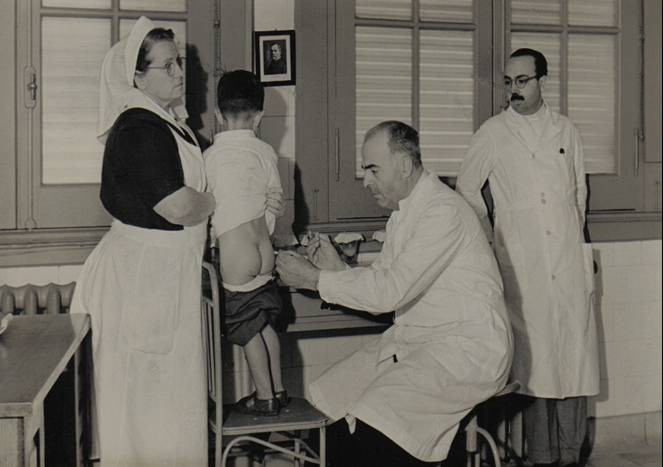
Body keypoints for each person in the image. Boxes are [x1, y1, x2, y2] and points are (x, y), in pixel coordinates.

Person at [276, 121, 513, 467]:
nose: (366, 181)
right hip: (421, 342)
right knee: (327, 405)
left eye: (373, 170)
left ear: (403, 166)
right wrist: (336, 270)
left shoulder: (443, 212)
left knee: (376, 422)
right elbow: (386, 289)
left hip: (467, 350)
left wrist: (315, 279)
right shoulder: (403, 215)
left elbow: (389, 293)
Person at [69, 17, 213, 465]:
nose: (179, 73)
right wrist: (215, 201)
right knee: (141, 416)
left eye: (179, 62)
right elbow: (178, 207)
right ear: (138, 77)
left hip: (162, 278)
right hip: (140, 283)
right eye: (167, 66)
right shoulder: (138, 128)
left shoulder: (170, 124)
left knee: (169, 412)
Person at [456, 48, 600, 467]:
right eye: (508, 82)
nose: (513, 90)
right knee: (535, 361)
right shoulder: (493, 132)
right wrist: (491, 234)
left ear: (542, 81)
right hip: (522, 261)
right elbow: (467, 187)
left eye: (522, 80)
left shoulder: (566, 130)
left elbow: (578, 195)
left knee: (574, 357)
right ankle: (540, 456)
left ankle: (571, 454)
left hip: (566, 258)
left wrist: (574, 243)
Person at [204, 70, 288, 415]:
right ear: (260, 116)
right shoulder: (266, 152)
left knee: (245, 327)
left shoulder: (210, 157)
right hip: (264, 249)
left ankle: (264, 397)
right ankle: (279, 389)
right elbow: (274, 203)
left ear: (218, 115)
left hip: (236, 252)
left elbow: (205, 207)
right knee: (263, 323)